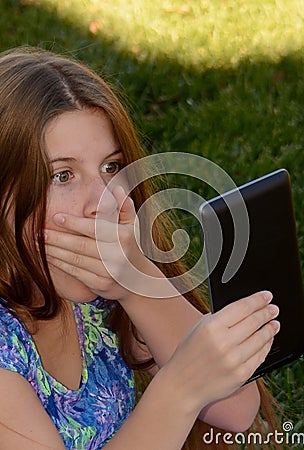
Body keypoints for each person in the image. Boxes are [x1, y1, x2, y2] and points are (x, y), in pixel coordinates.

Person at [0, 47, 281, 450]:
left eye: (111, 167)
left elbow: (235, 409)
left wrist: (137, 284)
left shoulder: (95, 298)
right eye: (62, 175)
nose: (103, 201)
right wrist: (180, 389)